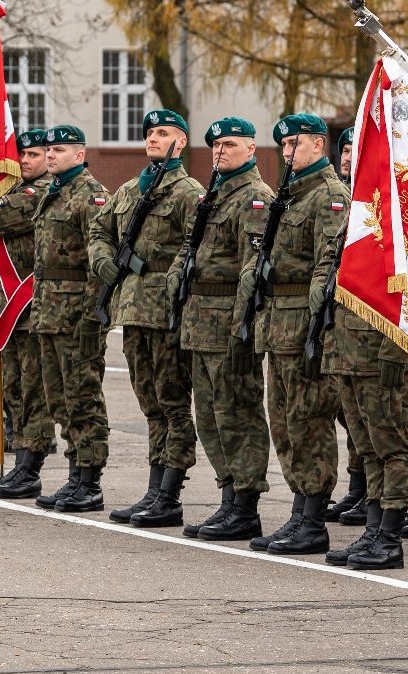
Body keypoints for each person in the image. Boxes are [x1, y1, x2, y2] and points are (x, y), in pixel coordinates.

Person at [88, 109, 202, 525]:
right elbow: (99, 230)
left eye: (164, 133)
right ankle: (154, 489)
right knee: (150, 403)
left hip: (166, 311)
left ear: (181, 141)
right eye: (150, 132)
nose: (154, 138)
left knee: (172, 404)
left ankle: (170, 493)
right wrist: (104, 264)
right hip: (133, 310)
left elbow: (196, 248)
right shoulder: (130, 190)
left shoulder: (188, 192)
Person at [238, 114, 343, 554]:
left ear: (319, 145)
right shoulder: (289, 195)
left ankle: (314, 519)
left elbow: (329, 262)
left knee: (310, 421)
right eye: (282, 146)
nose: (286, 153)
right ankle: (299, 511)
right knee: (284, 423)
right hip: (276, 323)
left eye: (295, 145)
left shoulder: (329, 195)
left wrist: (316, 321)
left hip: (304, 325)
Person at [173, 117, 272, 541]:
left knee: (238, 413)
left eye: (229, 145)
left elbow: (252, 268)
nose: (219, 151)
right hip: (200, 319)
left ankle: (245, 504)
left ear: (251, 150)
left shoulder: (255, 198)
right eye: (215, 146)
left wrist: (241, 326)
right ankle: (228, 495)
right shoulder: (213, 194)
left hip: (229, 320)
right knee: (210, 415)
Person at [30, 125, 112, 511]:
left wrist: (94, 316)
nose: (50, 156)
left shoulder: (91, 196)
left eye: (59, 150)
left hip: (77, 314)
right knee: (60, 400)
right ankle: (74, 473)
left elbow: (99, 262)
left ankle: (90, 481)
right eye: (48, 150)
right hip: (48, 310)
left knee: (83, 398)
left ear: (79, 155)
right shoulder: (53, 192)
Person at [0, 130, 53, 499]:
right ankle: (16, 460)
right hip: (6, 307)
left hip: (29, 306)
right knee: (13, 390)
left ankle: (30, 465)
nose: (25, 160)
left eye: (34, 154)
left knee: (32, 391)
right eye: (20, 153)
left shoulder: (40, 192)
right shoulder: (11, 191)